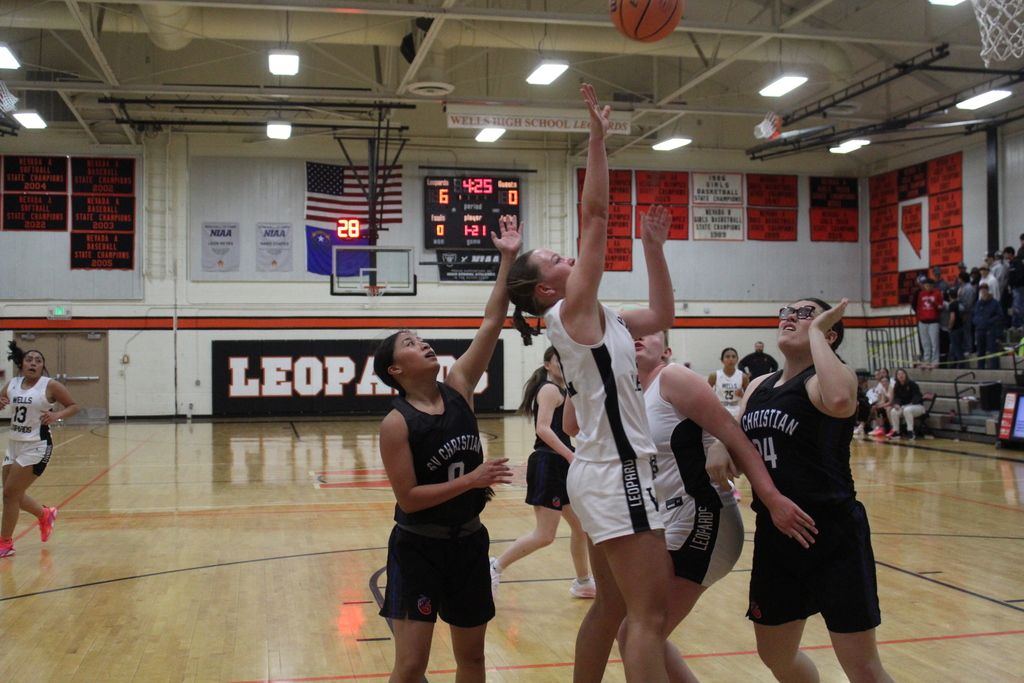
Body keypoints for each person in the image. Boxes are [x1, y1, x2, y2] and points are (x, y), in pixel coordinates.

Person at [505, 83, 678, 683]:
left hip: (604, 469)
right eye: (555, 259)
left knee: (611, 607)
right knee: (648, 616)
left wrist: (653, 248)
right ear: (548, 290)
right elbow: (597, 215)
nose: (567, 258)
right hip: (618, 470)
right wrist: (599, 141)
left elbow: (661, 316)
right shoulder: (570, 314)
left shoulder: (599, 318)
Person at [615, 330, 815, 683]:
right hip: (667, 520)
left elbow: (734, 433)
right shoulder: (629, 393)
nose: (636, 337)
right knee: (636, 635)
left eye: (647, 333)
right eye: (628, 332)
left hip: (704, 516)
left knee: (639, 634)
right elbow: (572, 424)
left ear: (667, 350)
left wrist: (769, 497)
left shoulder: (673, 377)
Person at [372, 215, 521, 683]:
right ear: (395, 369)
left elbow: (493, 320)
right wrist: (472, 480)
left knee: (473, 661)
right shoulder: (396, 423)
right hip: (418, 548)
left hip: (470, 543)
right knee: (412, 664)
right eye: (411, 344)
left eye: (422, 339)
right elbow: (408, 499)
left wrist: (508, 259)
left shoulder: (459, 386)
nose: (425, 344)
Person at [739, 298, 894, 683]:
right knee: (774, 654)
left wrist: (818, 333)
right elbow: (734, 436)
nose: (790, 316)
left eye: (805, 313)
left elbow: (842, 402)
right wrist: (714, 447)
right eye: (786, 312)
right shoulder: (759, 384)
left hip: (832, 535)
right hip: (776, 536)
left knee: (862, 667)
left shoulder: (826, 380)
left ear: (829, 334)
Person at [488, 346, 595, 600]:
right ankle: (494, 567)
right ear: (548, 365)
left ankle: (583, 582)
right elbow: (543, 429)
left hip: (561, 464)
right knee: (545, 535)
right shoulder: (549, 390)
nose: (565, 363)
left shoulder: (566, 391)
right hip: (548, 462)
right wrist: (570, 455)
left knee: (581, 529)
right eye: (559, 359)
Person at [0, 342, 79, 558]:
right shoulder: (13, 383)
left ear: (42, 367)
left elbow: (73, 406)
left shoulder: (50, 385)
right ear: (22, 365)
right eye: (29, 360)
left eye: (38, 361)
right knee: (11, 493)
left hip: (37, 445)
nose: (33, 363)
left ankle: (5, 543)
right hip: (14, 443)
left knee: (9, 494)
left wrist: (56, 415)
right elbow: (0, 399)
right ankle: (45, 514)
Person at [709, 347, 748, 418]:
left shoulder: (743, 376)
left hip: (737, 413)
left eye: (733, 357)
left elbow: (749, 398)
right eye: (727, 357)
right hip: (720, 413)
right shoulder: (714, 375)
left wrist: (742, 395)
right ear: (722, 360)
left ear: (737, 360)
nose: (731, 359)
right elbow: (706, 395)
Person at [887, 368, 925, 440]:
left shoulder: (912, 384)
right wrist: (897, 404)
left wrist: (912, 403)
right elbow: (897, 398)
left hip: (917, 406)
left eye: (902, 373)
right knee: (893, 411)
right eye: (899, 374)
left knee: (907, 410)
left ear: (906, 375)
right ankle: (896, 431)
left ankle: (910, 431)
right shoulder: (897, 386)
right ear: (896, 377)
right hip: (904, 407)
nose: (901, 375)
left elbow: (918, 395)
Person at [974, 282, 1005, 370]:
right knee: (980, 350)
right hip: (980, 329)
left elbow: (1000, 315)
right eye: (981, 289)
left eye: (984, 289)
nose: (983, 291)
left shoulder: (994, 303)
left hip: (990, 329)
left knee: (992, 349)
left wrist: (990, 321)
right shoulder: (978, 303)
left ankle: (994, 367)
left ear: (987, 290)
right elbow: (975, 314)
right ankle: (980, 367)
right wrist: (976, 321)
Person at [913, 278, 943, 369]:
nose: (928, 287)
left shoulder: (937, 293)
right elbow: (918, 307)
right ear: (924, 286)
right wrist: (919, 318)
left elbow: (941, 307)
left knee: (934, 342)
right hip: (923, 321)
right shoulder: (921, 294)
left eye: (930, 285)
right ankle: (927, 361)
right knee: (925, 343)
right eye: (926, 286)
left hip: (933, 321)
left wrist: (934, 303)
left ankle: (935, 361)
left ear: (933, 286)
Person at [946, 288, 968, 369]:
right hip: (961, 327)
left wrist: (949, 327)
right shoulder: (960, 304)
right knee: (959, 347)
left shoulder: (952, 305)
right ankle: (953, 365)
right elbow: (965, 317)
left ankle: (961, 365)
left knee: (956, 348)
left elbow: (952, 317)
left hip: (954, 329)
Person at [868, 368, 892, 436]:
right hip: (887, 403)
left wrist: (880, 405)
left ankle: (893, 428)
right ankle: (880, 428)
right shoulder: (882, 387)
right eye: (883, 382)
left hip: (893, 403)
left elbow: (891, 401)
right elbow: (882, 400)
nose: (884, 383)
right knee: (877, 408)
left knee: (887, 409)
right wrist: (877, 405)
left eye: (885, 382)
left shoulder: (891, 387)